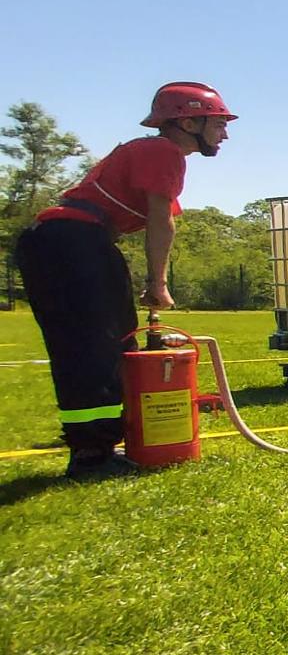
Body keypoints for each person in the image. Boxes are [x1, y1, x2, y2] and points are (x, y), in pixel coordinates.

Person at [15, 82, 234, 480]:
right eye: (218, 123)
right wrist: (158, 283)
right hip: (73, 242)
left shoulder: (150, 153)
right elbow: (159, 220)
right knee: (93, 348)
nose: (225, 133)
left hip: (70, 241)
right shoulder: (163, 151)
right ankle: (92, 455)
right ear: (188, 121)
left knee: (110, 342)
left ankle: (98, 441)